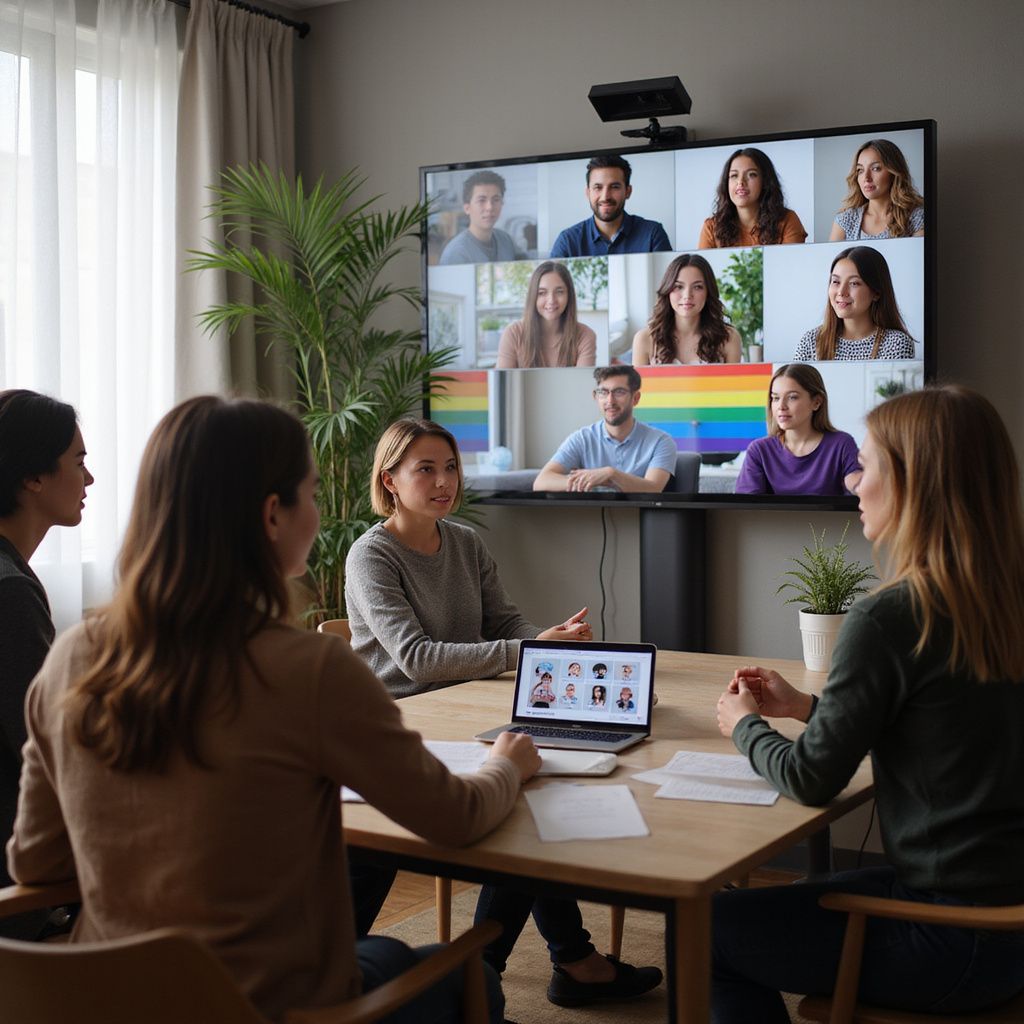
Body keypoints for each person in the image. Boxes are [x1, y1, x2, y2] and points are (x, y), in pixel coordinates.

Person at [8, 396, 545, 1024]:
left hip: (109, 999)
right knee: (475, 976)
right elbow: (454, 817)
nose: (317, 516)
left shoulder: (73, 659)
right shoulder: (308, 669)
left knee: (380, 948)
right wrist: (506, 763)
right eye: (311, 495)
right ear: (272, 515)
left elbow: (35, 863)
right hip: (275, 1005)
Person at [713, 386, 1024, 1021]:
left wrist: (743, 726)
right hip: (1009, 923)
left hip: (948, 935)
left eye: (870, 464)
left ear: (916, 484)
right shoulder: (1002, 599)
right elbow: (950, 722)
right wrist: (806, 707)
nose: (855, 482)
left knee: (703, 927)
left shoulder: (892, 616)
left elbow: (811, 780)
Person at [345, 417, 662, 1008]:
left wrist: (551, 641)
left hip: (465, 712)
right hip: (407, 725)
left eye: (451, 467)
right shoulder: (372, 555)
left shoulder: (464, 541)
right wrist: (531, 650)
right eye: (425, 469)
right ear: (389, 480)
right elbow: (415, 660)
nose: (444, 481)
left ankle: (541, 965)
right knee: (524, 802)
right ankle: (534, 967)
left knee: (534, 795)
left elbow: (505, 624)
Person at [0, 390, 93, 940]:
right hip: (19, 872)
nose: (89, 480)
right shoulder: (10, 593)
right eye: (78, 463)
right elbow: (47, 749)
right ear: (32, 477)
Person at [532, 367, 676, 493]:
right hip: (590, 519)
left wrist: (610, 474)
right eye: (603, 392)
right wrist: (595, 479)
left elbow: (653, 488)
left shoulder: (661, 441)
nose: (610, 401)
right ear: (595, 397)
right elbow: (542, 481)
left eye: (619, 392)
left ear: (636, 398)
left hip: (638, 519)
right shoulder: (582, 438)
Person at [736, 364, 860, 496]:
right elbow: (746, 508)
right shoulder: (759, 450)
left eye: (792, 397)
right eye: (776, 398)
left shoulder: (842, 444)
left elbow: (860, 486)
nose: (781, 406)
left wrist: (858, 484)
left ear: (816, 402)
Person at [793, 247, 916, 361]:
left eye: (854, 283)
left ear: (876, 292)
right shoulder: (810, 342)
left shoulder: (896, 344)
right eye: (835, 281)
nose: (841, 292)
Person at [550, 155, 671, 257]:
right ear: (588, 193)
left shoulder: (653, 234)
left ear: (628, 192)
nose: (605, 197)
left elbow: (668, 283)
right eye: (598, 187)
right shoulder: (567, 241)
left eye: (614, 187)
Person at [632, 254, 742, 365]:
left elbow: (735, 383)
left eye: (697, 287)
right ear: (667, 290)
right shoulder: (644, 339)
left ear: (708, 292)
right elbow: (636, 383)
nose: (687, 295)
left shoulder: (729, 338)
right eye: (678, 287)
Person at [698, 148, 806, 249]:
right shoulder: (711, 227)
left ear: (765, 182)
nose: (741, 182)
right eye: (734, 176)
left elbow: (790, 266)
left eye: (751, 175)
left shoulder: (787, 220)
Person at [496, 261, 597, 368]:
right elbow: (505, 382)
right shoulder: (513, 334)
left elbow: (582, 382)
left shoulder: (585, 335)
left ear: (569, 295)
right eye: (542, 293)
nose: (551, 300)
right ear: (533, 297)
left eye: (559, 291)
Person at [829, 139, 925, 241]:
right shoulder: (845, 220)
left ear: (894, 173)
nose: (866, 178)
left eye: (875, 168)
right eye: (860, 170)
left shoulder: (917, 217)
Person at [438, 170, 527, 265]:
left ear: (502, 203)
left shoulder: (505, 239)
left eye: (496, 199)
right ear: (467, 208)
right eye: (481, 200)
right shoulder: (456, 253)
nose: (489, 207)